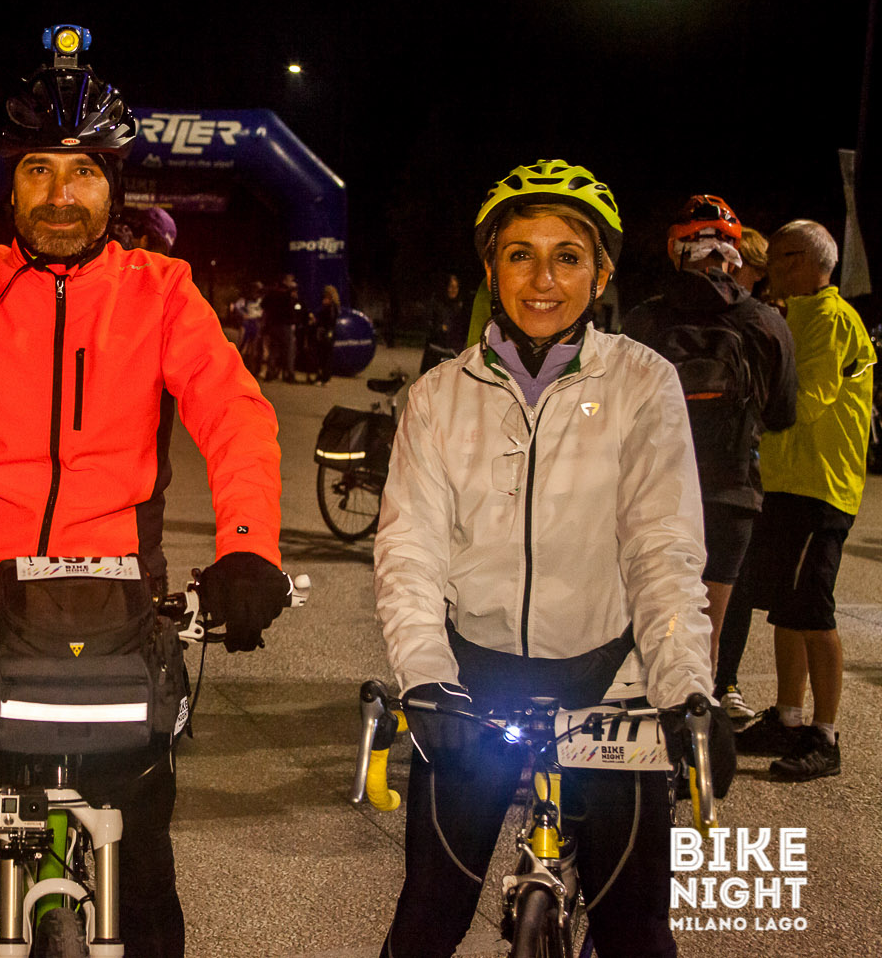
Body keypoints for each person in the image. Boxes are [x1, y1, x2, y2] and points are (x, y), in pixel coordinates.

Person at [0, 27, 288, 958]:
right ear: (13, 185)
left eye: (82, 172)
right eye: (39, 170)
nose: (60, 194)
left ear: (114, 185)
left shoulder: (163, 292)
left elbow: (235, 415)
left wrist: (248, 546)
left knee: (147, 884)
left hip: (120, 607)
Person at [373, 159, 734, 958]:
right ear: (491, 270)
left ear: (601, 272)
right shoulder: (438, 396)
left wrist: (685, 689)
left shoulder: (643, 382)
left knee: (638, 932)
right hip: (474, 688)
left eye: (567, 256)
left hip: (612, 685)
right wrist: (426, 677)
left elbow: (663, 548)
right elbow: (410, 551)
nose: (543, 279)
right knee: (425, 922)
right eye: (520, 254)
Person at [621, 195, 797, 719]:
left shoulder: (643, 320)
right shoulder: (766, 322)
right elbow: (783, 413)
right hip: (729, 495)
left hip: (655, 493)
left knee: (640, 618)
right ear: (733, 254)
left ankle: (635, 736)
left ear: (676, 250)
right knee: (707, 631)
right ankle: (694, 739)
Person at [731, 220, 873, 781]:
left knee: (813, 609)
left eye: (788, 256)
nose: (775, 266)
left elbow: (807, 400)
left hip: (821, 487)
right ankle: (788, 719)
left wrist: (741, 418)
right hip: (787, 484)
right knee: (787, 610)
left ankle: (825, 735)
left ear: (819, 265)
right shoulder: (796, 315)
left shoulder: (832, 320)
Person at [260, 273, 303, 381]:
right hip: (285, 325)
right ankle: (290, 374)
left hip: (273, 324)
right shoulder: (287, 293)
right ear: (285, 281)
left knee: (273, 350)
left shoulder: (272, 292)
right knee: (289, 350)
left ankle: (270, 373)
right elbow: (291, 308)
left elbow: (263, 305)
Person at [312, 284, 340, 384]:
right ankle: (322, 376)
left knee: (325, 356)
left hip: (326, 333)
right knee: (323, 356)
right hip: (327, 333)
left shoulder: (331, 307)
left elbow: (329, 321)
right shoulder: (332, 306)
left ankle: (324, 378)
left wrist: (317, 321)